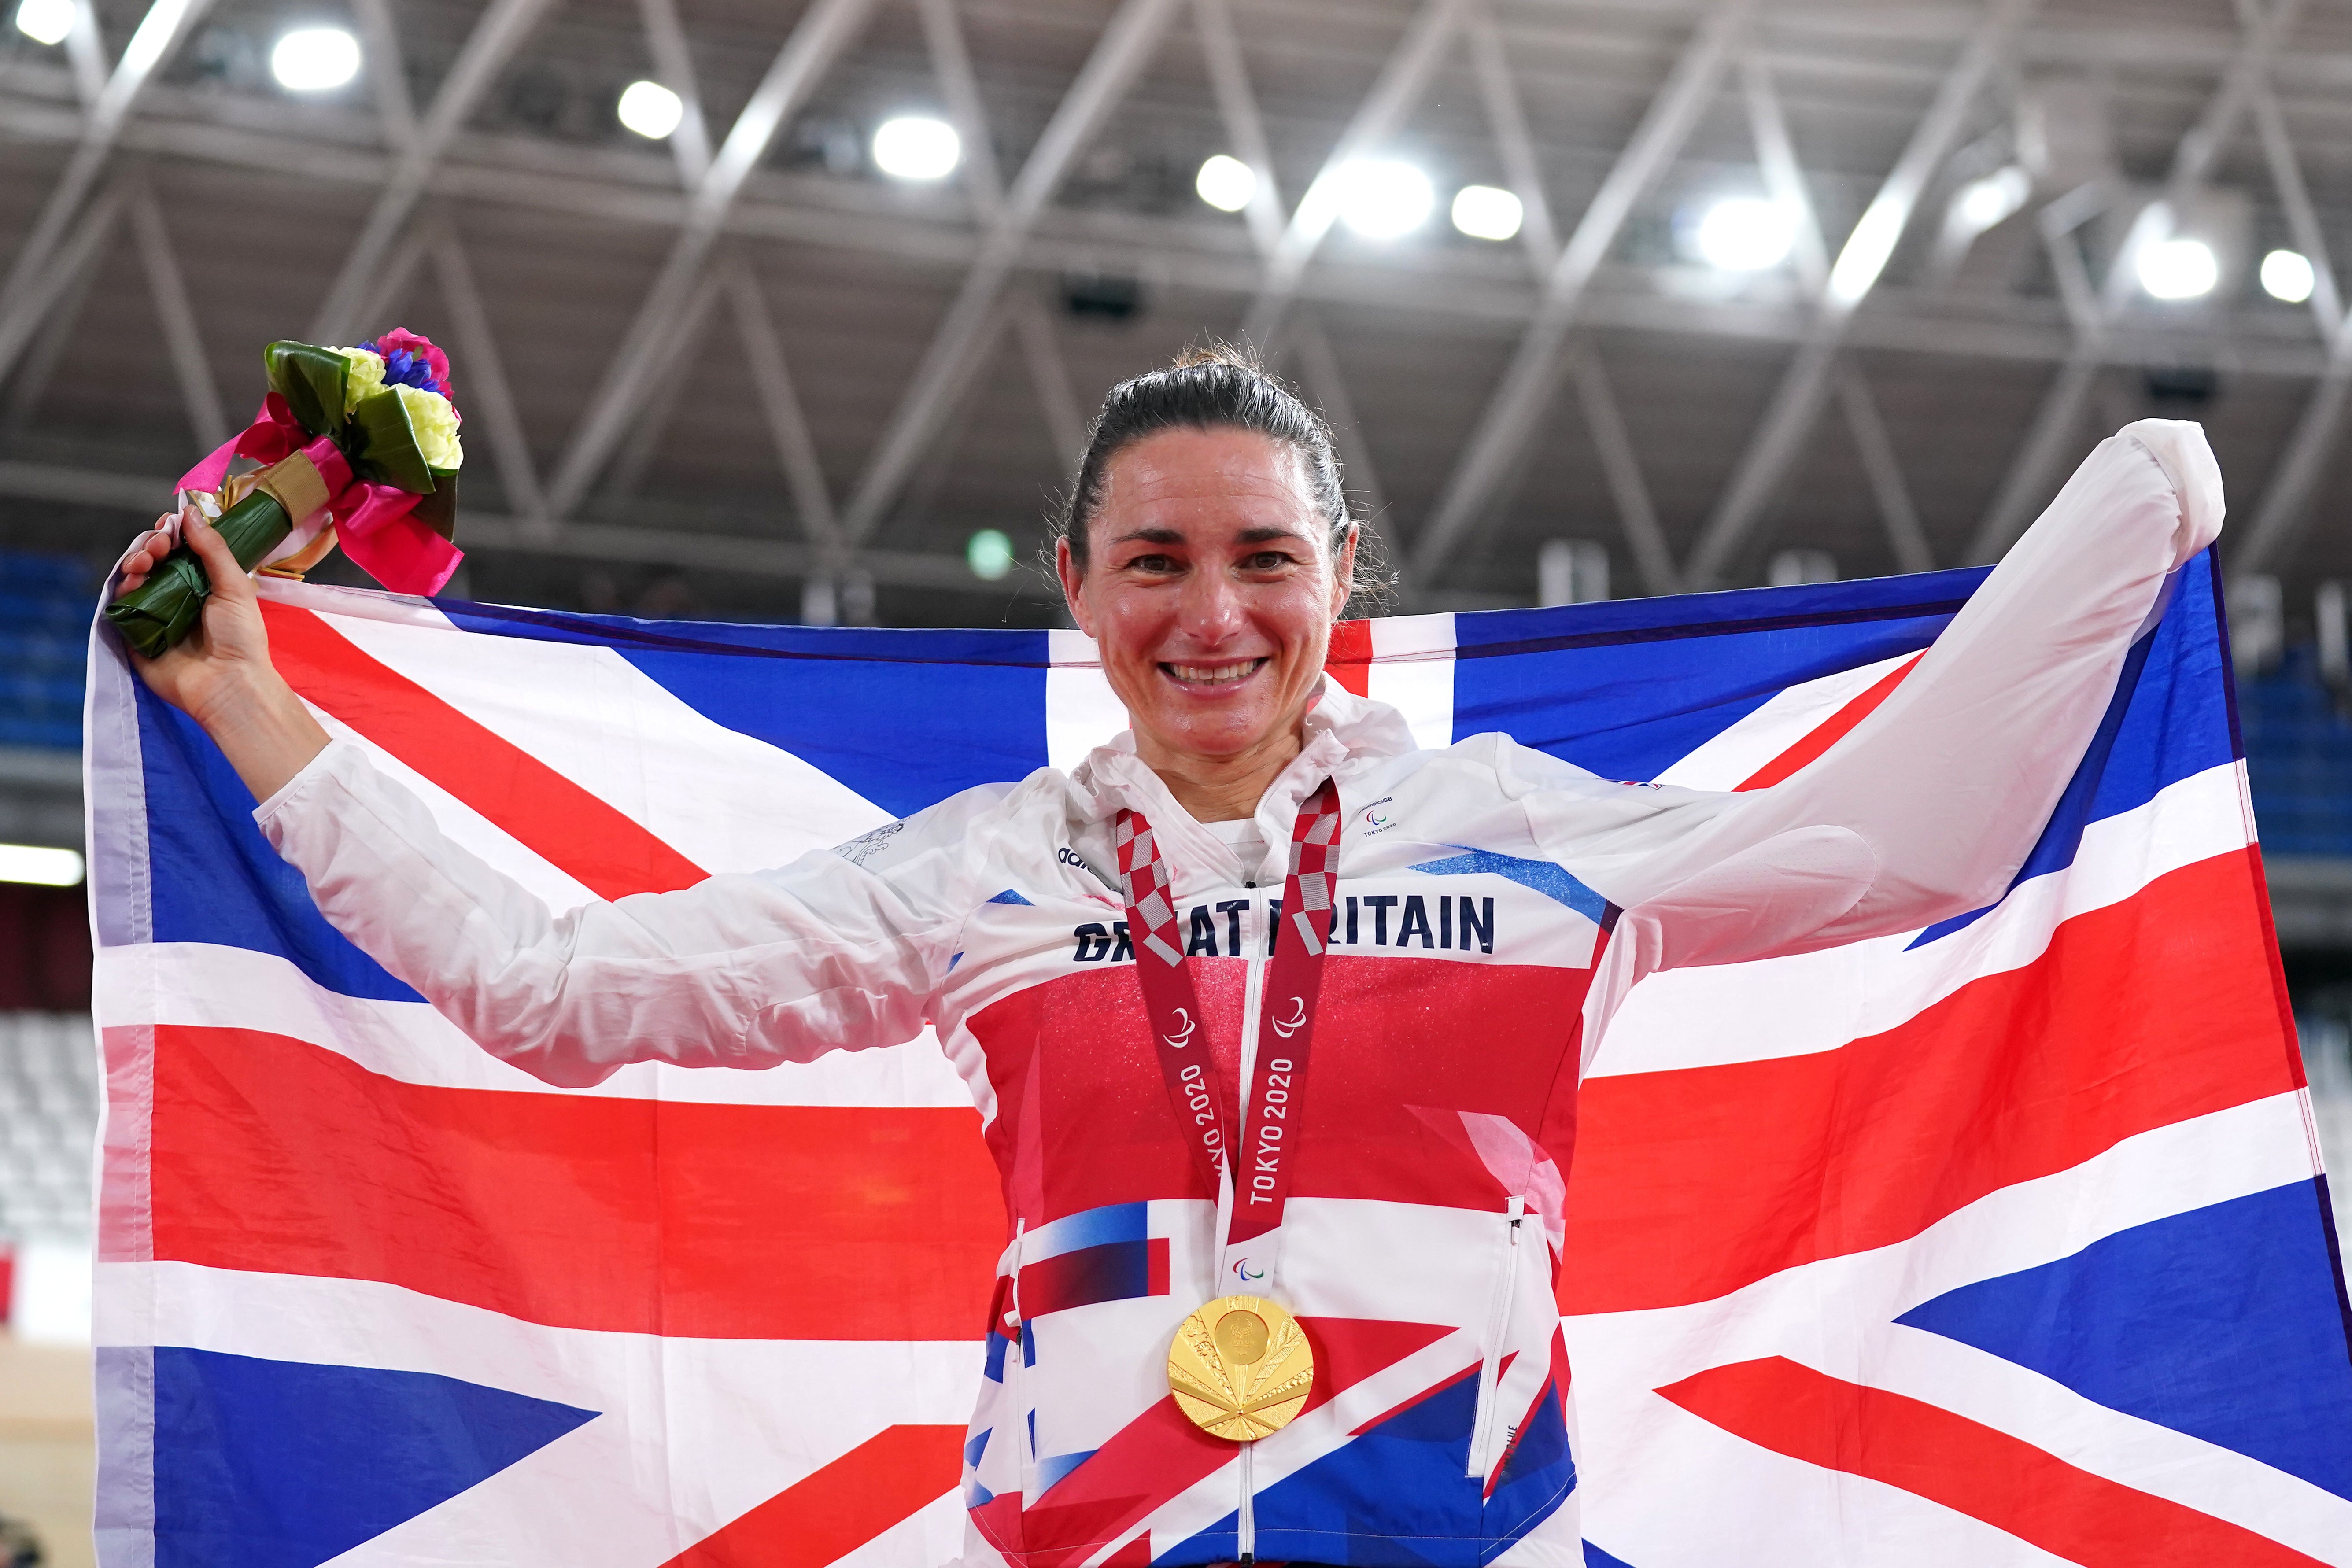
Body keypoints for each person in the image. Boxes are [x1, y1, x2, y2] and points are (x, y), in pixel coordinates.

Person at [115, 346, 2222, 1566]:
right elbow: (560, 992)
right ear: (1076, 585)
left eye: (1262, 559)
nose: (1212, 613)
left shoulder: (1519, 837)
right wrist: (244, 702)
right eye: (1154, 561)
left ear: (1342, 580)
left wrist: (2127, 510)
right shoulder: (977, 875)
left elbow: (1910, 844)